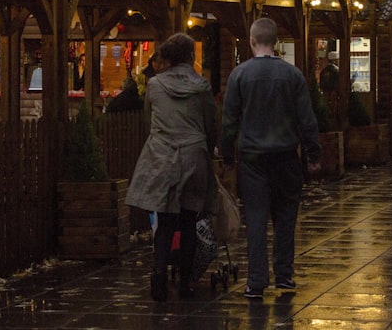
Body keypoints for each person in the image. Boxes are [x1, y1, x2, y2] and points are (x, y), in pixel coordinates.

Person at [219, 17, 321, 300]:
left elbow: (229, 121)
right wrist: (314, 154)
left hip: (252, 158)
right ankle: (284, 276)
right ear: (275, 42)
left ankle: (256, 281)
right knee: (286, 217)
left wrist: (227, 155)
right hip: (287, 156)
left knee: (255, 219)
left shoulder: (239, 76)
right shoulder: (293, 76)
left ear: (252, 41)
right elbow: (307, 120)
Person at [124, 33, 217, 301]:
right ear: (190, 56)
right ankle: (186, 281)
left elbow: (148, 123)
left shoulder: (154, 86)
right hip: (194, 155)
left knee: (164, 222)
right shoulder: (202, 86)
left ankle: (159, 277)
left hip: (162, 155)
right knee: (189, 220)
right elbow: (210, 125)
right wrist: (208, 151)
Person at [318, 51, 341, 120]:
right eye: (337, 60)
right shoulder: (337, 71)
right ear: (334, 60)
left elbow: (321, 84)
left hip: (325, 93)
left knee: (326, 107)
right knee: (334, 108)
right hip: (334, 93)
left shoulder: (324, 71)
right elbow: (338, 83)